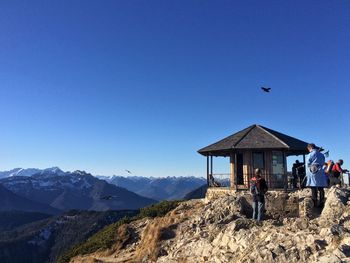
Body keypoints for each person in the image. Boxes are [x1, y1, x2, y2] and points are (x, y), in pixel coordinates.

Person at [305, 143, 328, 208]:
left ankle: (314, 203)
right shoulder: (321, 154)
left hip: (313, 171)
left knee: (313, 187)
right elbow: (323, 163)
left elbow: (307, 164)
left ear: (310, 148)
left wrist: (307, 174)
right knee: (321, 188)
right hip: (320, 171)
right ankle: (321, 202)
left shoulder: (310, 154)